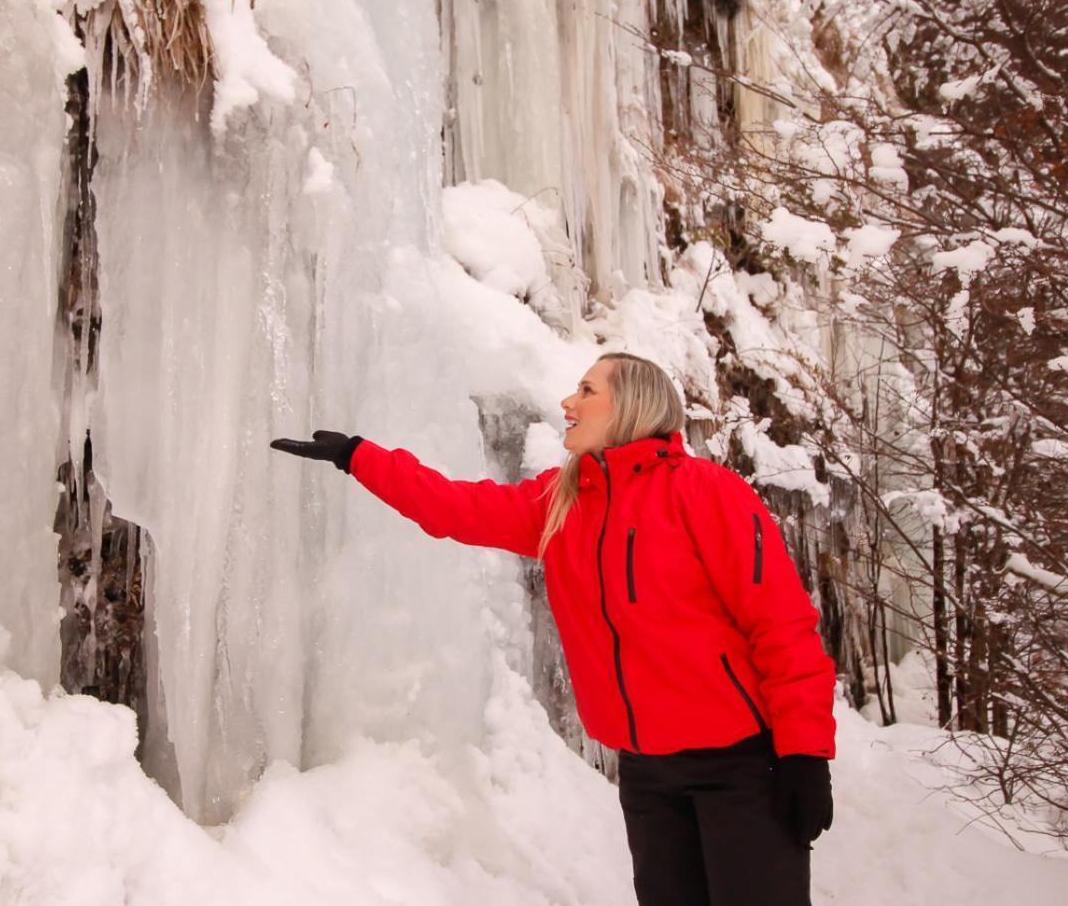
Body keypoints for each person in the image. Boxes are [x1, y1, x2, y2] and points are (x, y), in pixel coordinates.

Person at [271, 351, 836, 906]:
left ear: (633, 405)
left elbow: (782, 626)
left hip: (741, 766)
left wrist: (804, 754)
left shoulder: (707, 492)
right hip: (646, 775)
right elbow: (455, 508)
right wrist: (358, 456)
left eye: (588, 391)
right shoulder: (562, 503)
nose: (569, 401)